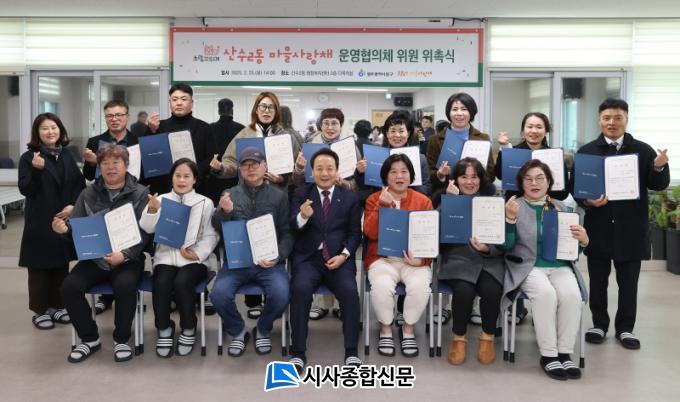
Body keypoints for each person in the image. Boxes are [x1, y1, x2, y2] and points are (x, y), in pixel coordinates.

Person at [576, 98, 670, 350]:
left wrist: (659, 167)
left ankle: (625, 328)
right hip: (599, 227)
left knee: (629, 284)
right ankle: (599, 324)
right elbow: (578, 189)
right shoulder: (587, 151)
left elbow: (657, 184)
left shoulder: (643, 150)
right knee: (598, 281)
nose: (612, 122)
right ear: (600, 120)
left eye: (618, 118)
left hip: (631, 229)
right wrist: (587, 201)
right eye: (606, 118)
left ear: (626, 120)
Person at [57, 144, 150, 363]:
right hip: (95, 259)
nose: (110, 167)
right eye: (105, 163)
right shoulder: (87, 193)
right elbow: (78, 230)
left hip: (128, 259)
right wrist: (65, 231)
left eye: (116, 162)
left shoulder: (140, 193)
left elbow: (146, 233)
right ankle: (90, 339)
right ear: (99, 167)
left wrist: (125, 255)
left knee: (125, 285)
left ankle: (121, 339)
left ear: (126, 165)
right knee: (69, 287)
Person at [501, 159, 589, 380]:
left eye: (540, 178)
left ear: (549, 182)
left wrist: (583, 241)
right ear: (521, 183)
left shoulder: (561, 208)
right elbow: (505, 246)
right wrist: (509, 220)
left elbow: (572, 251)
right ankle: (549, 355)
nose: (534, 183)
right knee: (546, 294)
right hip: (528, 266)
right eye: (528, 179)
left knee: (571, 295)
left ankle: (564, 353)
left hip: (559, 265)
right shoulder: (514, 205)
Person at [210, 147, 292, 357]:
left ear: (265, 166)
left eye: (255, 164)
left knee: (282, 294)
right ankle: (238, 331)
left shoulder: (279, 197)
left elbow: (287, 233)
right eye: (245, 165)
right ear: (239, 169)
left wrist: (278, 256)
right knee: (218, 295)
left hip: (269, 264)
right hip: (237, 263)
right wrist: (225, 212)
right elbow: (217, 227)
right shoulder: (229, 194)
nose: (251, 168)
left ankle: (263, 329)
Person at [287, 148, 363, 373]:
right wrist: (302, 216)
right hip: (308, 259)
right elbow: (292, 227)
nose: (324, 173)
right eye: (319, 168)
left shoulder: (349, 197)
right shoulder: (301, 193)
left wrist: (344, 255)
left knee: (350, 292)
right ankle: (298, 353)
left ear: (337, 171)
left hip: (339, 259)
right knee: (300, 291)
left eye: (330, 168)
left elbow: (355, 234)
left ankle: (351, 351)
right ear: (311, 172)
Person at [495, 112, 570, 325]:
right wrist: (503, 149)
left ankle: (543, 310)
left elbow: (563, 192)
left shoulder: (554, 156)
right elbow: (500, 174)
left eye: (539, 127)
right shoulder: (513, 151)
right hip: (516, 210)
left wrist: (542, 192)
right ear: (523, 130)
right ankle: (517, 309)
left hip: (545, 211)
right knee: (516, 252)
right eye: (529, 126)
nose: (534, 131)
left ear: (546, 131)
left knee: (541, 255)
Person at [139, 158, 219, 357]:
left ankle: (189, 328)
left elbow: (211, 235)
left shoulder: (205, 202)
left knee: (183, 282)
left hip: (194, 260)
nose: (182, 180)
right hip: (165, 258)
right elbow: (147, 228)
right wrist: (152, 209)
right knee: (161, 282)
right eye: (178, 175)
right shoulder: (161, 199)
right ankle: (164, 328)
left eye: (186, 176)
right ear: (172, 178)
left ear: (195, 179)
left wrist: (197, 254)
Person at [18, 113, 85, 330]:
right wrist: (36, 171)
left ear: (60, 130)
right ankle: (40, 310)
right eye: (45, 128)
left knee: (60, 264)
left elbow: (78, 183)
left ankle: (58, 306)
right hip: (39, 219)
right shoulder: (28, 158)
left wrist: (73, 204)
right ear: (37, 133)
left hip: (63, 217)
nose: (50, 132)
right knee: (39, 267)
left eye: (54, 127)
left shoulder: (67, 155)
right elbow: (25, 189)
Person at [363, 154, 433, 358]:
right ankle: (385, 328)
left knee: (421, 287)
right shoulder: (374, 199)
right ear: (386, 177)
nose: (399, 176)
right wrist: (382, 206)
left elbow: (430, 239)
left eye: (404, 171)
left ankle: (408, 329)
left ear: (412, 176)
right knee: (382, 286)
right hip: (382, 259)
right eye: (393, 172)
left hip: (413, 261)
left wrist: (422, 260)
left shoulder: (423, 201)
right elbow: (369, 233)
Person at [438, 157, 505, 365]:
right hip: (458, 260)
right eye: (464, 177)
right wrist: (448, 204)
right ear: (455, 179)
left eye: (474, 177)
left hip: (488, 261)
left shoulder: (493, 203)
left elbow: (504, 239)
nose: (469, 182)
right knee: (464, 291)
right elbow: (436, 234)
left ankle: (487, 337)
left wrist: (488, 248)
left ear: (481, 179)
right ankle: (458, 338)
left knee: (492, 290)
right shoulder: (448, 199)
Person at [214, 92, 300, 193]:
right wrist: (221, 168)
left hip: (277, 195)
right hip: (247, 194)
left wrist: (283, 179)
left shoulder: (286, 138)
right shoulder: (244, 135)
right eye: (263, 106)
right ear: (256, 109)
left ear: (276, 112)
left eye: (271, 107)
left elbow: (298, 171)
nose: (267, 111)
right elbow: (230, 161)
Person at [145, 83, 214, 195]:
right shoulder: (158, 127)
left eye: (184, 99)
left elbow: (211, 157)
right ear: (170, 103)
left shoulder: (204, 128)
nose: (179, 103)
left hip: (196, 188)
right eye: (174, 99)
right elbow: (149, 158)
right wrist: (151, 131)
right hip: (164, 188)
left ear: (192, 103)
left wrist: (192, 172)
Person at [426, 92, 495, 193]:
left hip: (475, 192)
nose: (459, 113)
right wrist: (440, 174)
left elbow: (491, 174)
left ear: (471, 112)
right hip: (446, 192)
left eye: (464, 109)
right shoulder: (435, 140)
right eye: (454, 109)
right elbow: (428, 174)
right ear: (449, 113)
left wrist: (476, 174)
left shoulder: (483, 138)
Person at [292, 108, 360, 190]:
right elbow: (298, 182)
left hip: (342, 194)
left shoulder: (350, 146)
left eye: (334, 123)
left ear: (341, 126)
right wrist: (299, 169)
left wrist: (347, 184)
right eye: (326, 123)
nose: (330, 127)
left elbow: (359, 179)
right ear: (321, 126)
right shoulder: (309, 147)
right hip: (315, 193)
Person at [83, 100, 139, 182]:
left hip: (134, 188)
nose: (114, 119)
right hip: (103, 189)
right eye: (109, 116)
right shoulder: (94, 142)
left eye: (118, 115)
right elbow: (88, 176)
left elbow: (145, 177)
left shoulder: (139, 142)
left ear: (127, 116)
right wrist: (93, 163)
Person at [205, 98, 245, 204]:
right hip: (234, 177)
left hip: (213, 178)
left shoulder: (209, 128)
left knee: (214, 208)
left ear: (218, 111)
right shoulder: (242, 129)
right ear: (232, 111)